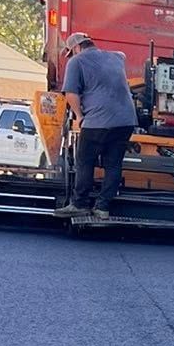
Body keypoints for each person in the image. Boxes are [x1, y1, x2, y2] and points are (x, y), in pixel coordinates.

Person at [61, 31, 136, 222]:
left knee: (85, 161)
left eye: (71, 52)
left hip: (98, 121)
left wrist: (79, 116)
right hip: (126, 120)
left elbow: (70, 93)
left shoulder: (76, 62)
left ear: (76, 48)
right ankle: (102, 208)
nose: (71, 56)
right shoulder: (115, 57)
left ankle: (79, 204)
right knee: (113, 164)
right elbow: (122, 55)